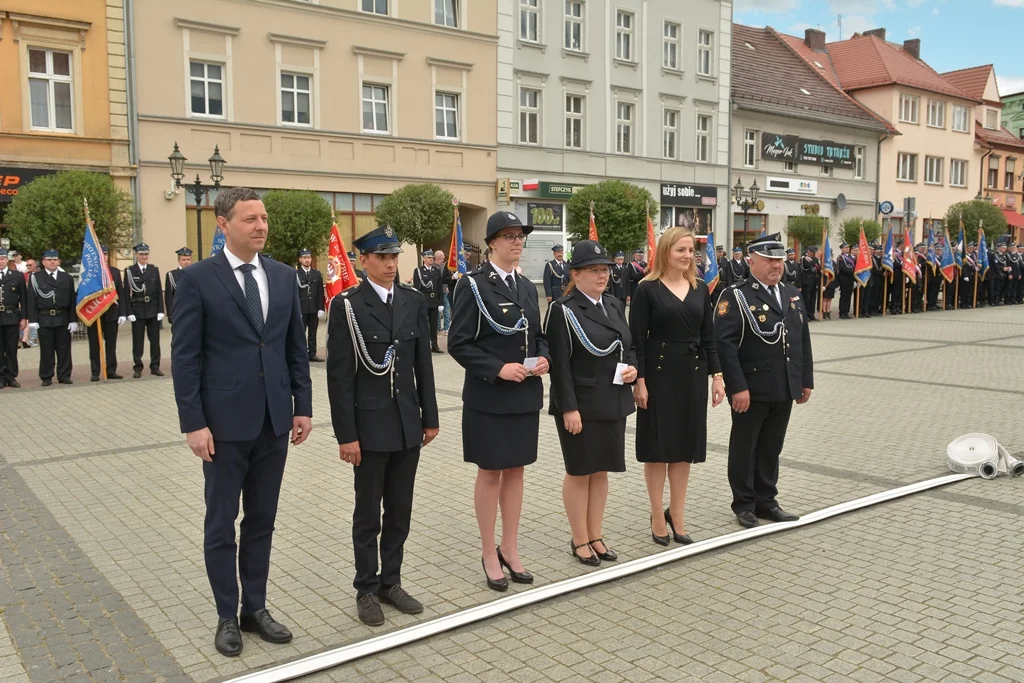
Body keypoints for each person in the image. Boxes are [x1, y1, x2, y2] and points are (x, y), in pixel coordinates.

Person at [170, 187, 313, 658]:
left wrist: (302, 405)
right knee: (221, 523)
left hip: (274, 421)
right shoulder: (197, 279)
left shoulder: (284, 276)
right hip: (223, 426)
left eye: (264, 217)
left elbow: (296, 349)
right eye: (250, 218)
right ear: (223, 224)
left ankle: (256, 608)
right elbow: (186, 358)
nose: (261, 226)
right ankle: (226, 615)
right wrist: (194, 423)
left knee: (262, 521)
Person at [326, 225, 439, 627]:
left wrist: (431, 417)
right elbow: (339, 378)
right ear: (364, 261)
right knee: (367, 515)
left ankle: (392, 582)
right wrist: (347, 435)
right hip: (369, 427)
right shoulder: (348, 306)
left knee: (400, 512)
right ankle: (366, 588)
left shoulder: (411, 299)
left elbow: (422, 365)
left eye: (394, 257)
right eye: (382, 258)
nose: (391, 265)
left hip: (408, 424)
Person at [448, 211, 550, 592]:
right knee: (491, 472)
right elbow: (458, 343)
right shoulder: (473, 285)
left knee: (517, 470)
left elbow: (538, 335)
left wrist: (545, 358)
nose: (516, 241)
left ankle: (510, 547)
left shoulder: (525, 286)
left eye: (520, 235)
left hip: (524, 394)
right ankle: (488, 552)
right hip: (490, 395)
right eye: (508, 236)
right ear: (491, 243)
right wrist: (497, 368)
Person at [630, 226, 724, 545]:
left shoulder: (699, 289)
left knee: (684, 448)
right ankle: (657, 513)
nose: (687, 256)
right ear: (665, 252)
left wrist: (718, 376)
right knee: (658, 449)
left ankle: (678, 512)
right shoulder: (647, 289)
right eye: (680, 250)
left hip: (692, 375)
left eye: (690, 251)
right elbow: (637, 341)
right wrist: (639, 381)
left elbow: (709, 337)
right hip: (657, 376)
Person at [546, 240, 637, 566]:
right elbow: (560, 365)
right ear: (575, 274)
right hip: (581, 404)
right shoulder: (564, 309)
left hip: (612, 399)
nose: (602, 276)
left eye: (606, 270)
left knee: (601, 471)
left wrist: (633, 368)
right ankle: (579, 538)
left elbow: (628, 345)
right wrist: (569, 408)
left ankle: (596, 534)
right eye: (594, 270)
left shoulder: (613, 305)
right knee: (580, 471)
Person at [714, 233, 813, 529]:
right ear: (751, 261)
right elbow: (725, 345)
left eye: (779, 260)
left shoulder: (792, 294)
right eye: (769, 260)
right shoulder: (736, 295)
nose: (776, 265)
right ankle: (744, 503)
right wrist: (737, 386)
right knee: (745, 446)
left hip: (784, 385)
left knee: (771, 446)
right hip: (752, 388)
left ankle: (767, 500)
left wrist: (805, 380)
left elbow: (801, 341)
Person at [27, 249, 77, 385]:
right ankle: (46, 376)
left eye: (55, 259)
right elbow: (31, 300)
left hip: (63, 317)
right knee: (47, 350)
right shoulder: (35, 278)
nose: (52, 261)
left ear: (59, 261)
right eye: (49, 259)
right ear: (43, 262)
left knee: (64, 349)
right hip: (44, 318)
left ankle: (64, 375)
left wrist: (73, 319)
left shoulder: (66, 277)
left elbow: (72, 300)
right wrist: (32, 320)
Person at [124, 243, 164, 378]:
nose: (144, 257)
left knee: (155, 340)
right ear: (136, 255)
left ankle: (155, 366)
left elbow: (158, 290)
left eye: (146, 254)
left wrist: (160, 310)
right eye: (141, 254)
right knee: (138, 341)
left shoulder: (154, 269)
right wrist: (129, 312)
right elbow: (125, 293)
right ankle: (138, 367)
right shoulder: (129, 271)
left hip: (152, 309)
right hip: (138, 310)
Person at [88, 246, 128, 381]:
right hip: (95, 313)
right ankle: (95, 372)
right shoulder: (90, 273)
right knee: (94, 345)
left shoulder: (115, 272)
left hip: (111, 312)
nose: (103, 257)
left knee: (111, 344)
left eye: (105, 254)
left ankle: (111, 370)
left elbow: (120, 293)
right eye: (101, 255)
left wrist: (122, 313)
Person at [0, 249, 28, 388]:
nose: (1, 261)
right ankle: (0, 377)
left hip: (11, 315)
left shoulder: (17, 276)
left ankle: (11, 376)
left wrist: (24, 318)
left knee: (11, 348)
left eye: (3, 259)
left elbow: (23, 297)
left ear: (7, 260)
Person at [296, 249, 326, 362]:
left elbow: (320, 292)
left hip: (313, 309)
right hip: (301, 309)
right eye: (304, 258)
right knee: (300, 333)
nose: (307, 260)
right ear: (300, 260)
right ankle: (301, 353)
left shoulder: (316, 274)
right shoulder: (296, 274)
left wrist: (321, 308)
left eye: (308, 258)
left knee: (313, 333)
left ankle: (312, 353)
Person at [412, 249, 442, 353]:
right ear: (424, 259)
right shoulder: (419, 271)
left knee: (434, 325)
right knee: (423, 324)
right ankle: (423, 345)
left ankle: (434, 345)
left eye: (432, 258)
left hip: (434, 301)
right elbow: (417, 287)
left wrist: (441, 303)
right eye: (429, 258)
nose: (431, 259)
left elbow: (439, 288)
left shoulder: (436, 271)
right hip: (424, 300)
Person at [164, 247, 193, 325]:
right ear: (178, 261)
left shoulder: (196, 274)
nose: (186, 262)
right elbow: (169, 297)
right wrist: (170, 314)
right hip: (179, 311)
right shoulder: (172, 275)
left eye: (188, 259)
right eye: (183, 260)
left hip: (193, 312)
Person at [800, 246, 820, 321]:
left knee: (813, 298)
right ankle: (806, 315)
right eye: (813, 252)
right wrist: (816, 259)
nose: (814, 253)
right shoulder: (804, 258)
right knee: (806, 299)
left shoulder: (815, 259)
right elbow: (809, 265)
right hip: (807, 282)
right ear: (809, 251)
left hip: (814, 281)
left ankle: (811, 314)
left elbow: (818, 268)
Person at [434, 249, 452, 333]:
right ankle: (438, 328)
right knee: (437, 311)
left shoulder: (445, 266)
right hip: (436, 291)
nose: (444, 257)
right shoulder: (433, 266)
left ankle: (446, 327)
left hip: (445, 290)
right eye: (443, 256)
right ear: (439, 257)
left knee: (446, 310)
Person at [836, 243, 855, 319]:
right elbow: (842, 268)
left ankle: (846, 311)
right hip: (844, 279)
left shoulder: (851, 257)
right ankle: (842, 312)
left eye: (848, 247)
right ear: (842, 249)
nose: (847, 249)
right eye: (845, 248)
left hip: (850, 279)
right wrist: (852, 271)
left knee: (849, 296)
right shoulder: (841, 257)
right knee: (844, 296)